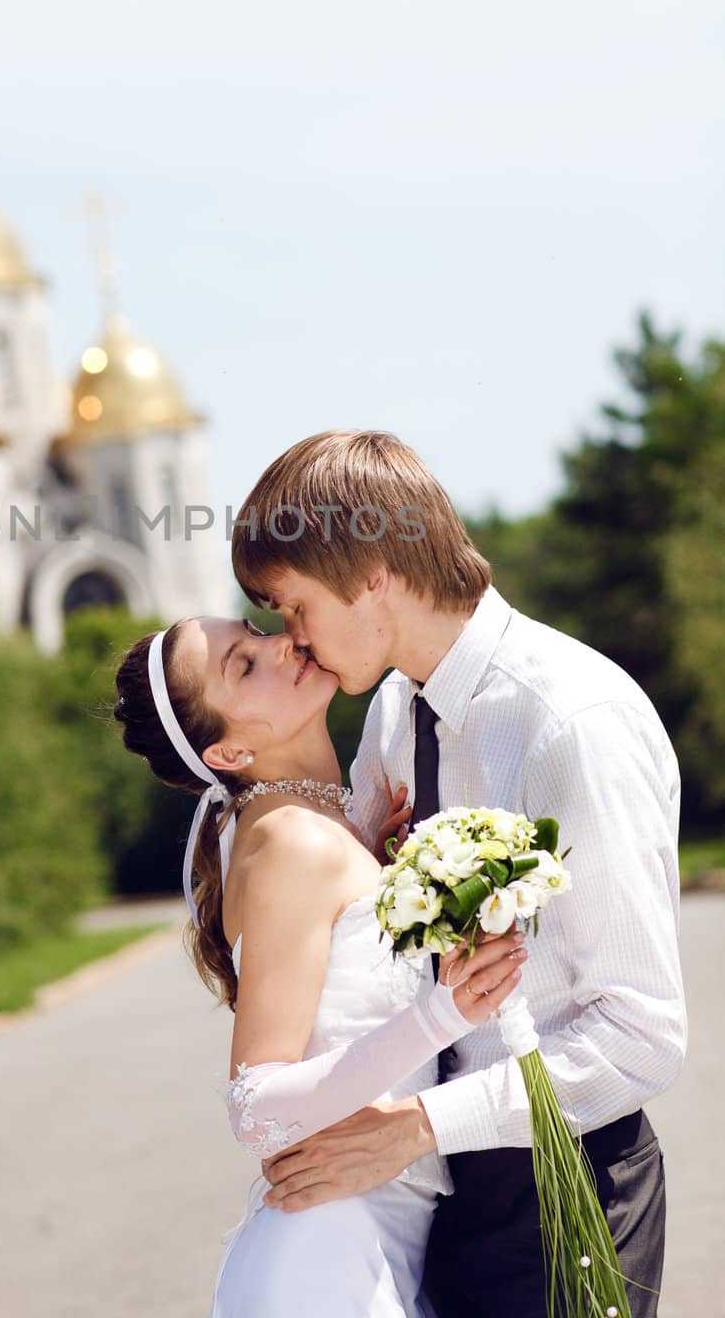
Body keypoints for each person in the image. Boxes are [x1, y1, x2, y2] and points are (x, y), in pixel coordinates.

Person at [229, 428, 686, 1318]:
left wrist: (414, 1130)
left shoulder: (569, 723)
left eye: (294, 608)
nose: (296, 642)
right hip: (436, 1192)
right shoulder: (396, 709)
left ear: (371, 577)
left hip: (568, 1183)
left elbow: (641, 1034)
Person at [114, 615, 525, 1317]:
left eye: (252, 629)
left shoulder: (314, 828)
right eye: (243, 665)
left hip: (367, 1240)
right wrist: (443, 1013)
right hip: (328, 1260)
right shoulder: (290, 841)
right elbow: (258, 1107)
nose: (279, 643)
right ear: (228, 749)